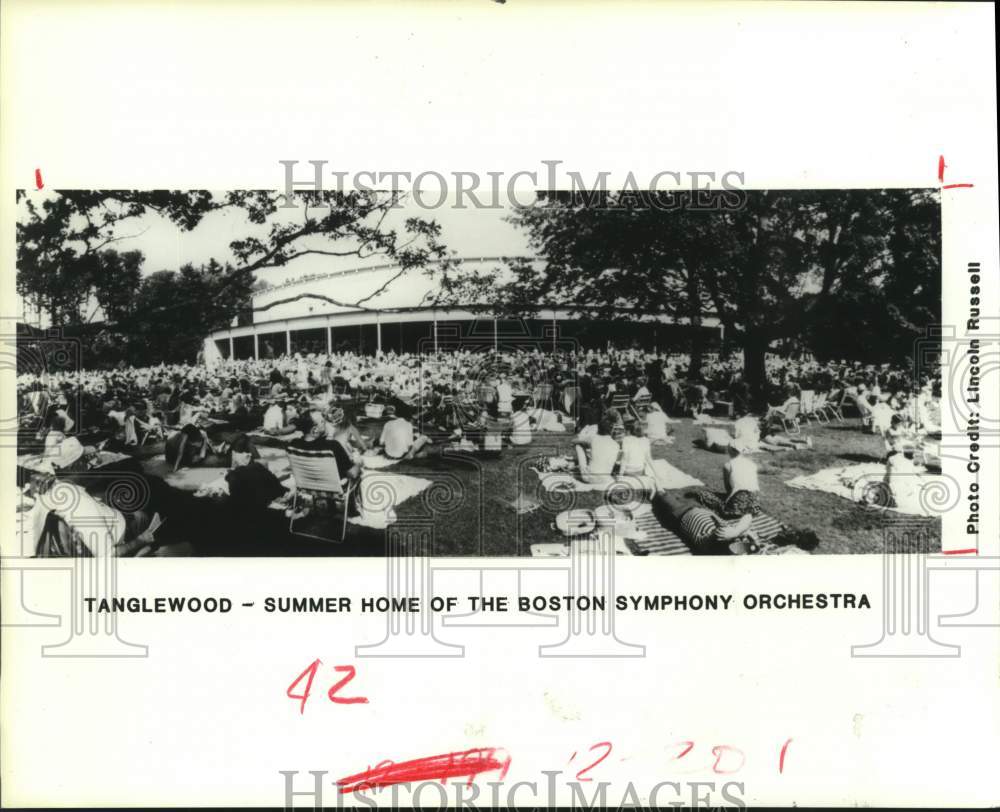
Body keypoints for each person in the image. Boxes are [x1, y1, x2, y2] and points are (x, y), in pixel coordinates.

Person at [654, 490, 755, 554]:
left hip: (679, 513)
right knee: (680, 495)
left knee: (661, 495)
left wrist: (737, 532)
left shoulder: (709, 545)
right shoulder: (731, 533)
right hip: (699, 508)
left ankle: (654, 487)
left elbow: (719, 533)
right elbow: (748, 515)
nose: (738, 541)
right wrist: (738, 532)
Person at [574, 417, 620, 485]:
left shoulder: (593, 438)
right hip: (606, 478)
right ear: (611, 430)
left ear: (598, 429)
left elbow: (574, 441)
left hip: (589, 478)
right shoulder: (616, 444)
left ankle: (581, 465)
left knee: (578, 446)